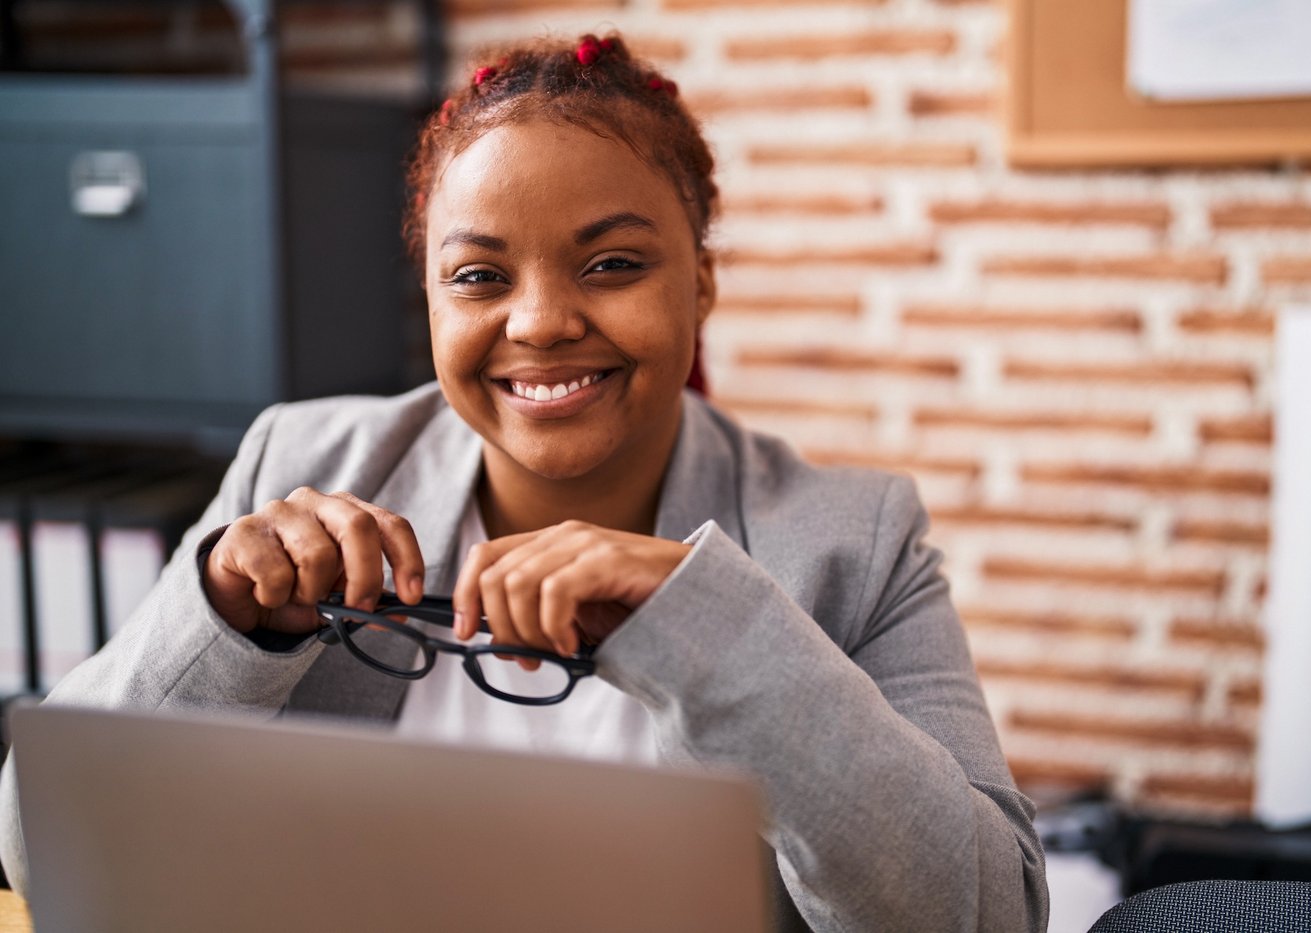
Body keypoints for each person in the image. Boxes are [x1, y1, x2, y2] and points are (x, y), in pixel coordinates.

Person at [0, 33, 1049, 931]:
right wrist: (221, 620)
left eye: (610, 264)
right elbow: (39, 855)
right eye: (478, 277)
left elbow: (985, 914)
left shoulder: (851, 540)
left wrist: (713, 625)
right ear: (427, 297)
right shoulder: (306, 464)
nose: (539, 322)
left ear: (704, 282)